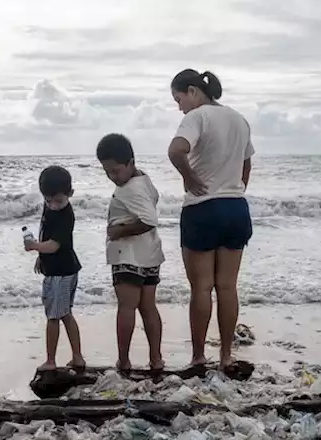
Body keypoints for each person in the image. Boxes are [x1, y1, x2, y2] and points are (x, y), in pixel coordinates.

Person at [167, 68, 255, 370]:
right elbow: (246, 165)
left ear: (192, 91)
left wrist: (190, 177)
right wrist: (235, 187)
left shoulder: (197, 117)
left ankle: (198, 355)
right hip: (235, 208)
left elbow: (176, 150)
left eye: (179, 99)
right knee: (228, 287)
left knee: (202, 288)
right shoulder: (239, 119)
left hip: (202, 209)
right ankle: (227, 355)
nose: (180, 107)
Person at [96, 133, 165, 372]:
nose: (112, 177)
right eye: (106, 172)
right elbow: (153, 203)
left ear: (131, 163)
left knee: (126, 307)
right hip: (150, 254)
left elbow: (149, 220)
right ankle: (156, 359)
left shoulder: (128, 190)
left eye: (115, 171)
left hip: (128, 255)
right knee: (148, 307)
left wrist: (119, 231)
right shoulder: (143, 179)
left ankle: (123, 360)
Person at [25, 165, 85, 371]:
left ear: (70, 194)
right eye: (48, 200)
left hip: (62, 272)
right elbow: (45, 234)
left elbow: (54, 244)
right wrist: (40, 256)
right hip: (58, 269)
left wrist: (35, 247)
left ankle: (51, 360)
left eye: (58, 200)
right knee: (65, 314)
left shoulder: (66, 215)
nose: (53, 205)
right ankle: (77, 357)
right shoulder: (49, 207)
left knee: (54, 317)